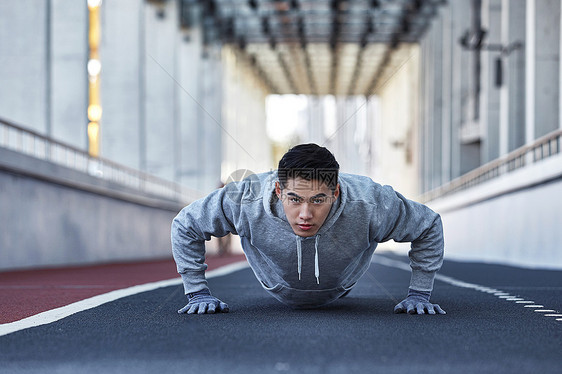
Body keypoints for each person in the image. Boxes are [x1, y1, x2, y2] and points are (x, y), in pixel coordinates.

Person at [171, 144, 445, 315]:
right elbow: (186, 224)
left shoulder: (371, 202)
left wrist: (419, 294)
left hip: (341, 285)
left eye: (318, 200)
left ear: (335, 192)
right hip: (274, 284)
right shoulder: (245, 199)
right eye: (294, 199)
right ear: (279, 190)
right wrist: (198, 292)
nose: (305, 214)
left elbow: (428, 225)